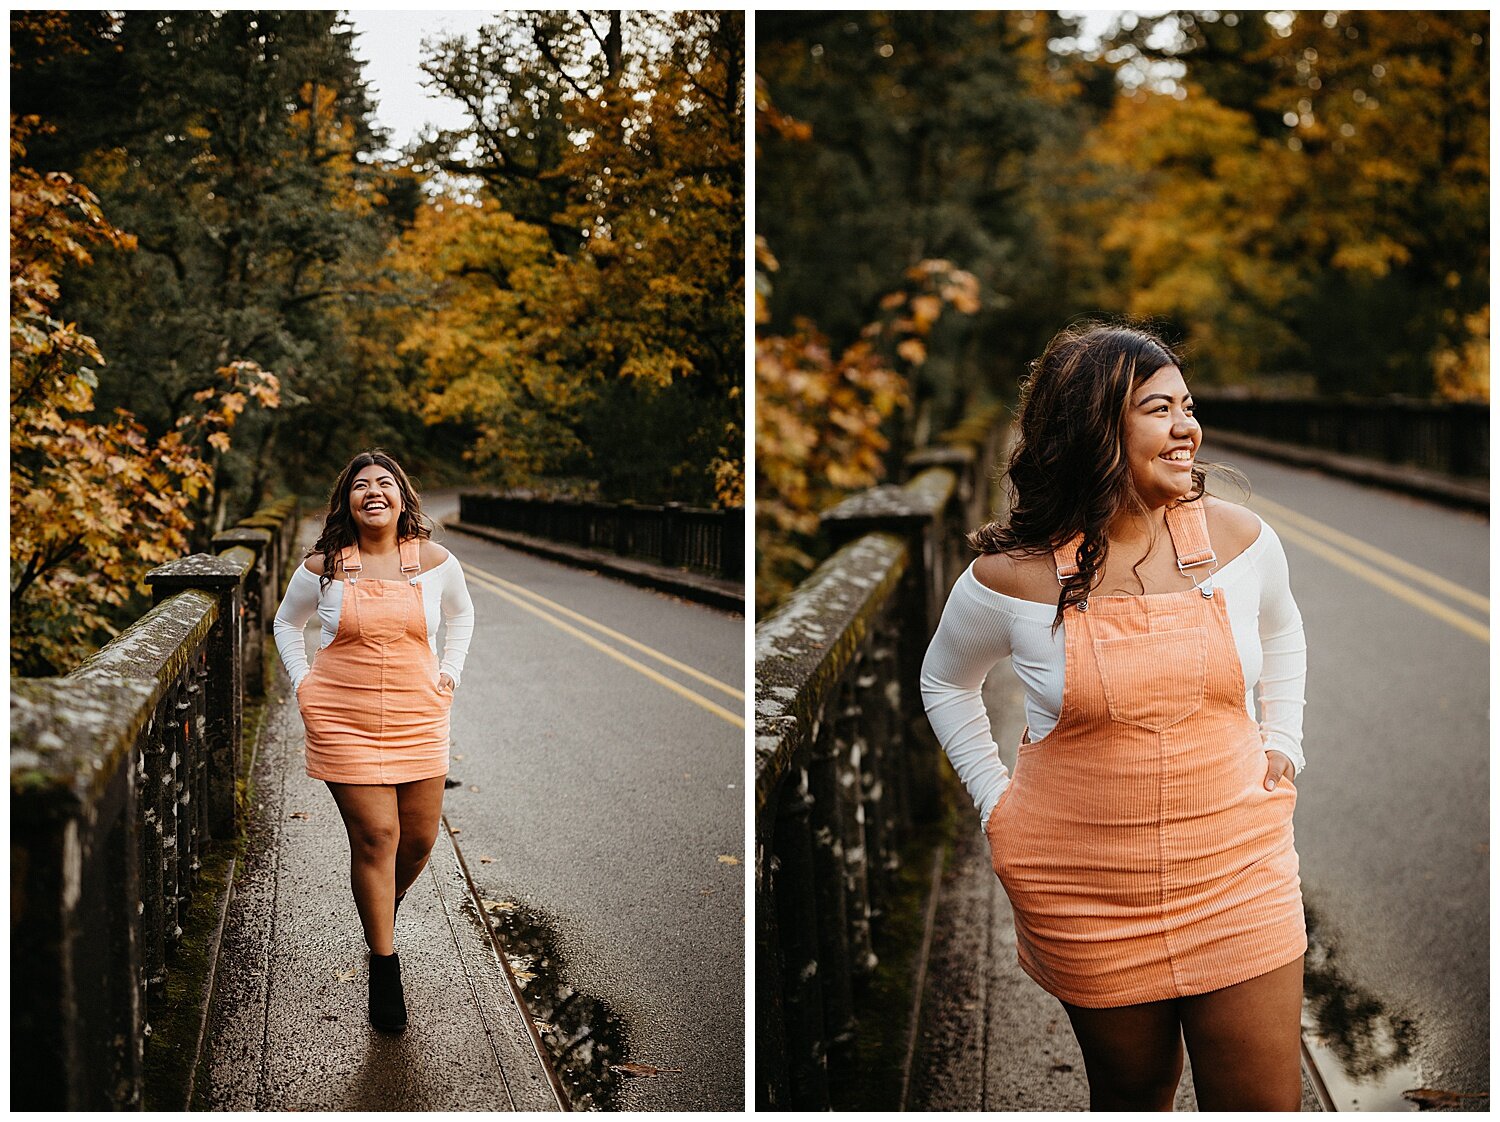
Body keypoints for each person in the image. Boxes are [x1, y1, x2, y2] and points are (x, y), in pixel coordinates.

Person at [920, 323, 1308, 1111]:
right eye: (1158, 409)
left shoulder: (1243, 543)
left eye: (1188, 407)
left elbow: (1284, 626)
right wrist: (997, 804)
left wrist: (1284, 737)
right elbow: (944, 683)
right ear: (1097, 427)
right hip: (1086, 890)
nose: (1187, 427)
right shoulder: (1013, 577)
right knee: (1131, 1098)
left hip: (1239, 870)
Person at [273, 450, 475, 1033]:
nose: (374, 492)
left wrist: (450, 673)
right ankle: (384, 965)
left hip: (418, 714)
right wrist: (303, 682)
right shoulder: (324, 568)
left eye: (385, 483)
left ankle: (377, 917)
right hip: (342, 717)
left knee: (417, 842)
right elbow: (287, 623)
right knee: (377, 835)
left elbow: (462, 617)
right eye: (361, 486)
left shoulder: (436, 563)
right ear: (348, 502)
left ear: (403, 498)